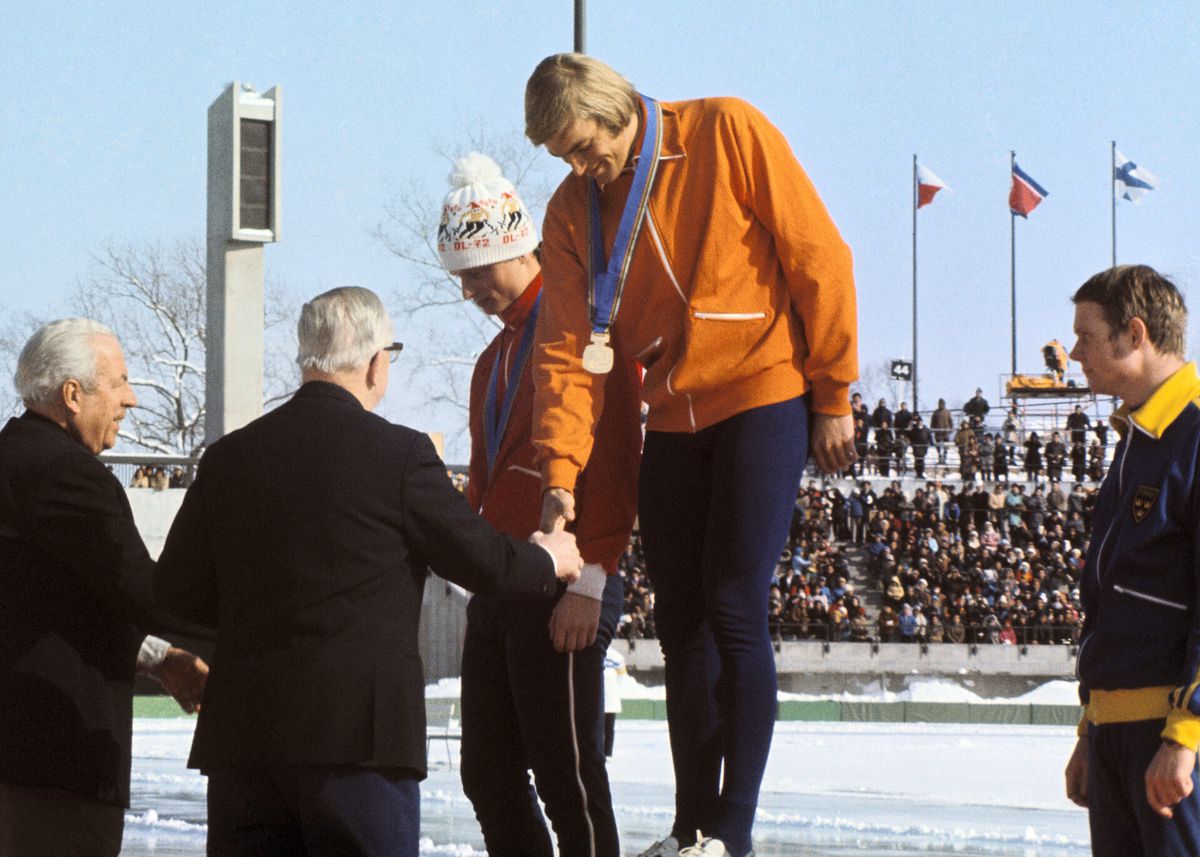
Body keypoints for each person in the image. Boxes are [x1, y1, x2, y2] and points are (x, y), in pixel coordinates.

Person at [524, 53, 858, 857]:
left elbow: (819, 256)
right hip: (671, 412)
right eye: (563, 156)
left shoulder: (724, 129)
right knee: (678, 623)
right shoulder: (573, 210)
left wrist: (835, 391)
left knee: (735, 601)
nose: (580, 166)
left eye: (583, 146)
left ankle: (733, 832)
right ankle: (690, 825)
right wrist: (560, 474)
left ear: (615, 110)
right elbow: (564, 352)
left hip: (762, 390)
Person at [153, 288, 585, 856]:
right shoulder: (398, 456)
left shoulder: (229, 458)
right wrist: (550, 558)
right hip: (359, 740)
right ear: (378, 362)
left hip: (245, 738)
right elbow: (481, 560)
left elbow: (176, 593)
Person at [435, 153, 641, 857]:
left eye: (476, 273)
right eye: (460, 277)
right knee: (486, 774)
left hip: (565, 583)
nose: (469, 291)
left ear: (513, 249)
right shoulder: (493, 360)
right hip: (500, 585)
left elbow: (614, 463)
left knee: (568, 774)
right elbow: (486, 478)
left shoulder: (586, 331)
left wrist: (593, 579)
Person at [0, 319, 208, 856]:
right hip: (54, 765)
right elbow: (143, 592)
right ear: (73, 395)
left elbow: (56, 605)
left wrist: (158, 658)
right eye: (118, 381)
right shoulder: (68, 473)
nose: (131, 399)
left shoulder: (13, 459)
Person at [1062, 265, 1200, 856]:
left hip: (1171, 741)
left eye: (1086, 336)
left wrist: (1188, 733)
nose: (1073, 353)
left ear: (1135, 333)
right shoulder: (1135, 440)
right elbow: (1114, 599)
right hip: (1118, 734)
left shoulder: (1194, 434)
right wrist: (1090, 728)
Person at [931, 398, 953, 465]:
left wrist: (950, 429)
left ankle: (944, 458)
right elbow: (932, 422)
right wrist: (933, 429)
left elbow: (951, 421)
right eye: (940, 404)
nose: (941, 405)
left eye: (942, 404)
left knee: (945, 446)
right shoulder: (935, 412)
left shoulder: (947, 412)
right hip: (938, 432)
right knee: (938, 446)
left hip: (946, 432)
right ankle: (940, 458)